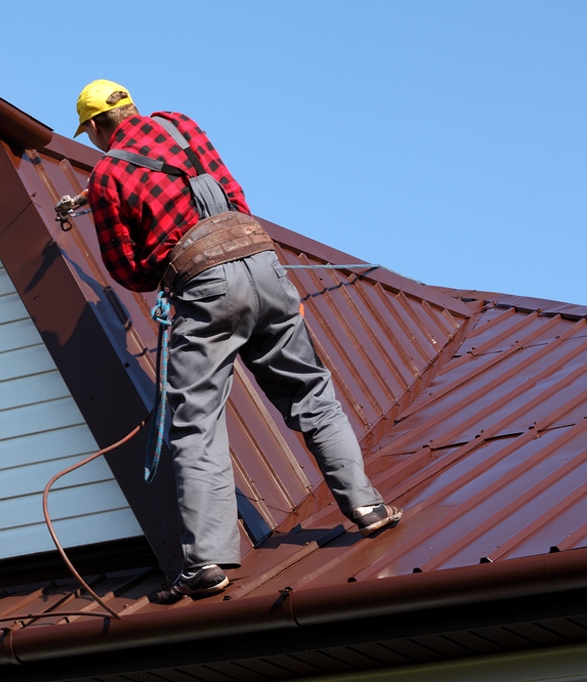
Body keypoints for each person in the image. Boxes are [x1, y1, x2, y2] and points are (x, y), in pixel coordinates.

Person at [74, 79, 402, 602]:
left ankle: (207, 562)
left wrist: (168, 262)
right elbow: (233, 195)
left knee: (196, 422)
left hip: (205, 286)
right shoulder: (180, 124)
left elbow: (126, 268)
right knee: (310, 393)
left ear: (94, 127)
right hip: (263, 262)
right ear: (132, 106)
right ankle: (368, 506)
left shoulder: (109, 173)